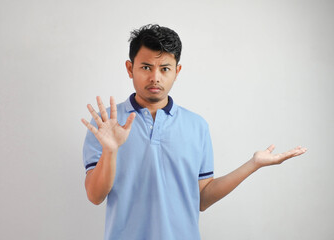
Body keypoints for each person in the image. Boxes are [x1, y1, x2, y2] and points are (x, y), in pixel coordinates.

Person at [81, 24, 307, 240]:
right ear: (130, 68)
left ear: (177, 71)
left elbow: (203, 198)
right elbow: (94, 196)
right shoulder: (106, 124)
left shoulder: (197, 126)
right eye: (146, 67)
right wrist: (110, 151)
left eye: (165, 68)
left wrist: (252, 164)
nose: (155, 77)